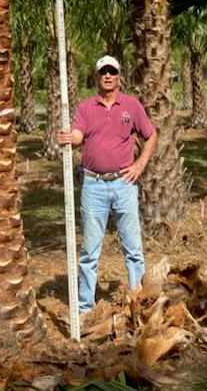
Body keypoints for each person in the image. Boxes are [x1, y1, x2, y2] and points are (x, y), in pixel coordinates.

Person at [57, 55, 157, 314]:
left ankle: (139, 302)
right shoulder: (86, 108)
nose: (108, 76)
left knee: (133, 249)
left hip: (124, 184)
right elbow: (79, 134)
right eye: (104, 72)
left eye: (112, 71)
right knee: (90, 250)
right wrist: (70, 137)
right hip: (93, 186)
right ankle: (85, 308)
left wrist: (140, 165)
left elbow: (151, 135)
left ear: (119, 76)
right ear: (98, 77)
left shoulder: (132, 106)